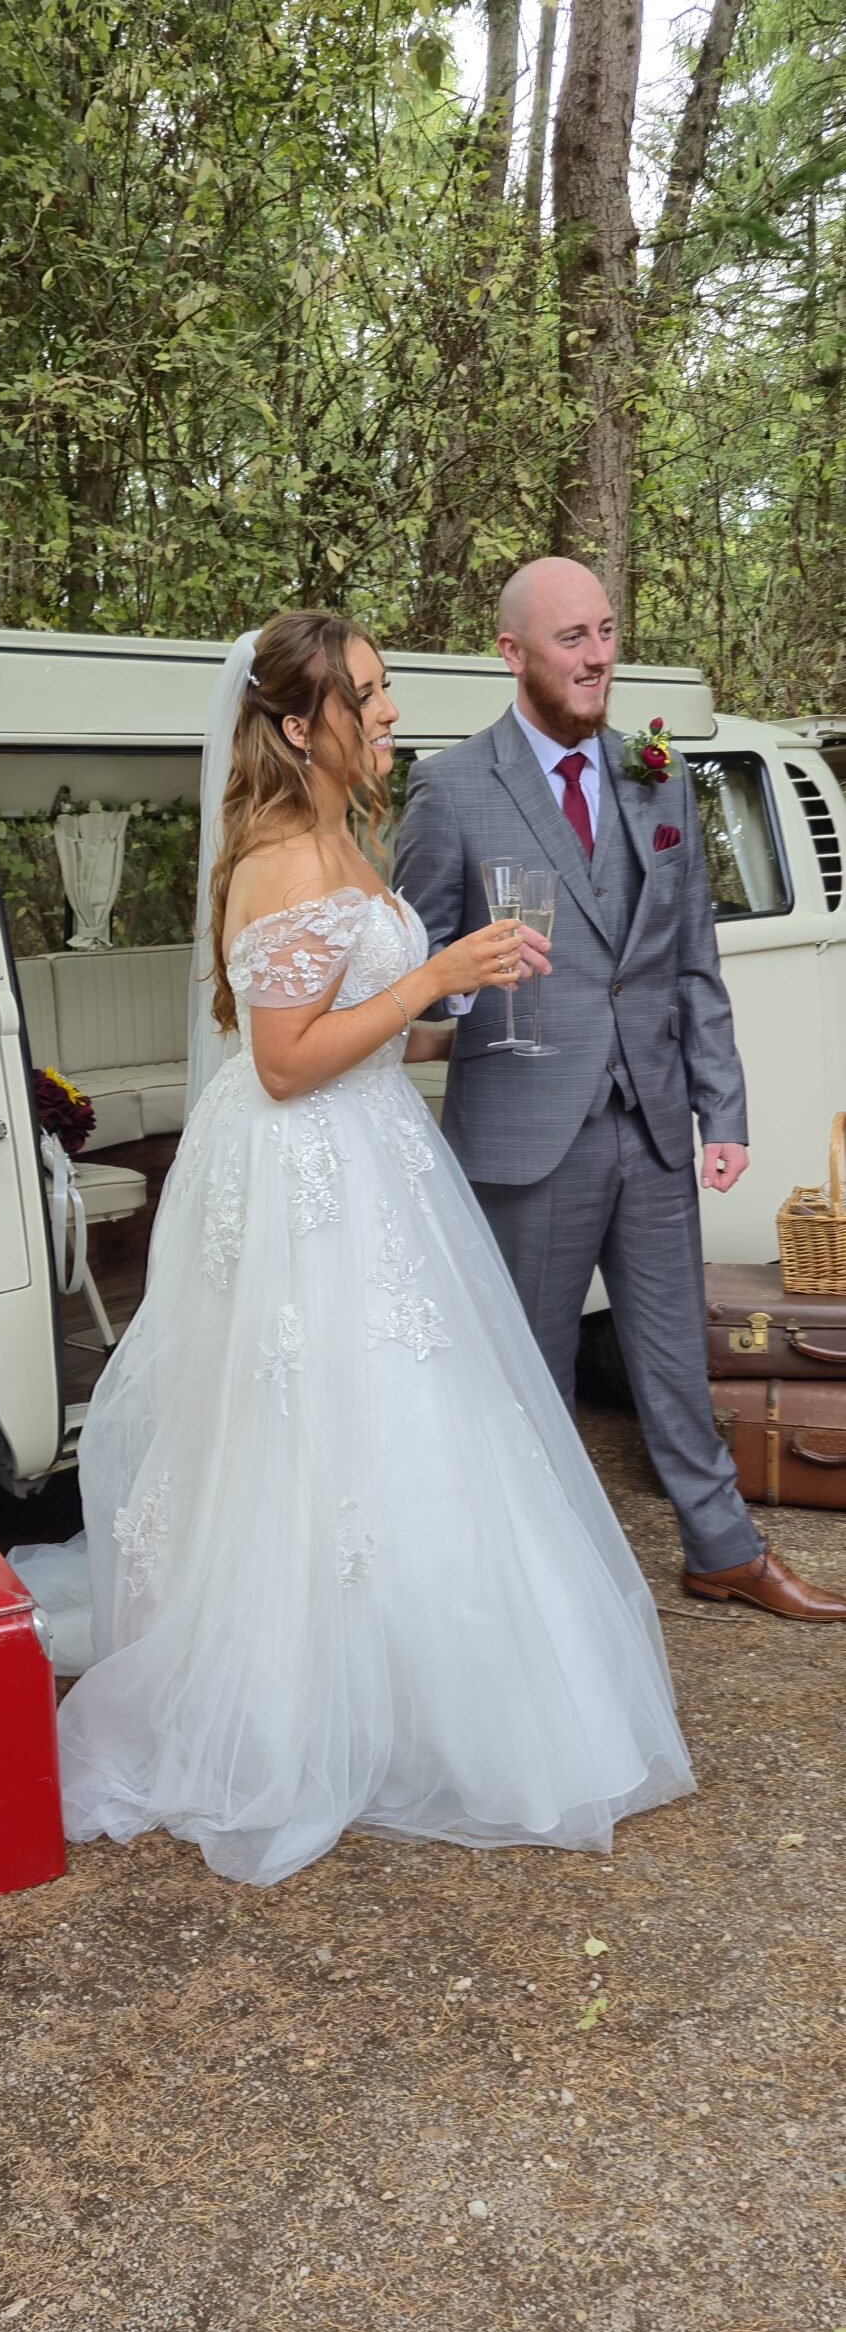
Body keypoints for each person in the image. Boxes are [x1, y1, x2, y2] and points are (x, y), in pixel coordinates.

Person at [16, 609, 695, 1886]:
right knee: (322, 1425)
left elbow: (358, 1031)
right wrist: (433, 973)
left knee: (413, 1420)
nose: (389, 713)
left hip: (372, 1148)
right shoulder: (278, 854)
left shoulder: (344, 832)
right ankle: (304, 1703)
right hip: (305, 1177)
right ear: (296, 723)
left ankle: (421, 1679)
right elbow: (281, 1067)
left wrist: (459, 1003)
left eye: (383, 693)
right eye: (367, 696)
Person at [394, 555, 846, 1622]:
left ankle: (724, 1548)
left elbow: (693, 958)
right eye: (572, 638)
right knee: (530, 1373)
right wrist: (463, 992)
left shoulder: (657, 775)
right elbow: (408, 977)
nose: (598, 656)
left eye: (605, 632)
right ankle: (542, 1585)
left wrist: (721, 1109)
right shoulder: (451, 787)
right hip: (523, 1129)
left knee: (673, 1353)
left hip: (650, 1126)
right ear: (511, 652)